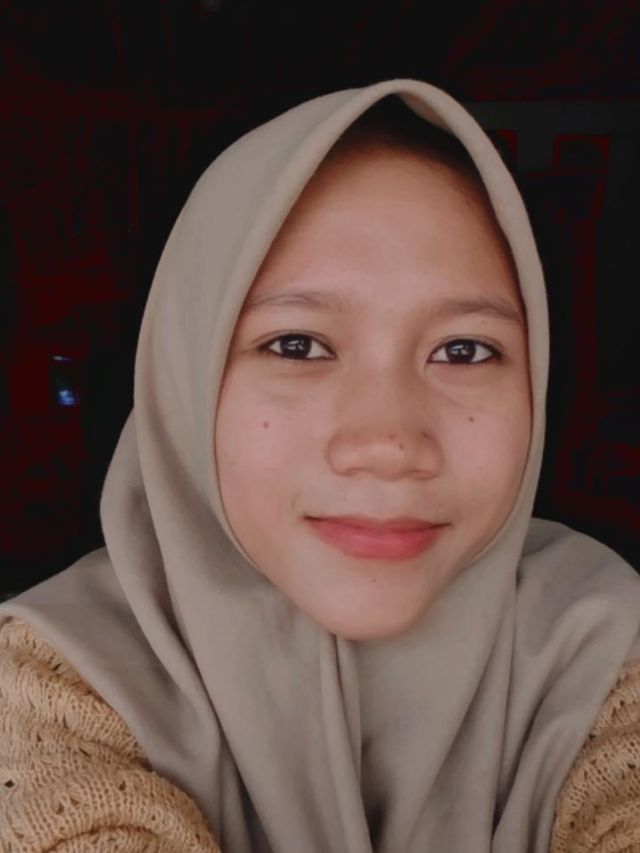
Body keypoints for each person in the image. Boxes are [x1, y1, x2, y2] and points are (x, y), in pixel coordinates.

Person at [1, 78, 640, 853]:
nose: (388, 443)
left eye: (464, 349)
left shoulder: (607, 647)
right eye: (297, 344)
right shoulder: (46, 683)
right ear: (184, 382)